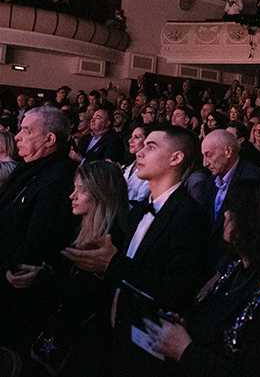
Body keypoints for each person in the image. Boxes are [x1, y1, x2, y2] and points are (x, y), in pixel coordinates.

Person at [62, 126, 212, 377]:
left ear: (176, 158)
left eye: (151, 147)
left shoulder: (189, 216)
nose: (139, 153)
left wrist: (111, 264)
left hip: (149, 348)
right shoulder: (141, 209)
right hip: (116, 334)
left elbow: (176, 290)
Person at [144, 181, 260, 376]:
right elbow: (216, 322)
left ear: (252, 225)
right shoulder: (239, 267)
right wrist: (186, 326)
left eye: (233, 212)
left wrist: (184, 350)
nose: (225, 214)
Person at [10, 160, 129, 377]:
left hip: (82, 347)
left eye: (81, 190)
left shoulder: (111, 239)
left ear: (101, 193)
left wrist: (42, 280)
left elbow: (84, 298)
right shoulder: (78, 229)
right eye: (74, 188)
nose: (72, 196)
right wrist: (43, 273)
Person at [0, 107, 79, 360]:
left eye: (26, 130)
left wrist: (5, 270)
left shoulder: (58, 177)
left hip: (16, 295)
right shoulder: (29, 167)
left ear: (49, 140)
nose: (17, 136)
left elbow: (37, 243)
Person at [200, 129, 260, 267]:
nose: (205, 163)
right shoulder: (211, 182)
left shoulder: (251, 179)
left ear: (228, 151)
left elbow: (247, 234)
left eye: (209, 155)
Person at [123, 126, 151, 203]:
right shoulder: (127, 166)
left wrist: (119, 180)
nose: (130, 140)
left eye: (136, 137)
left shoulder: (150, 168)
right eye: (131, 137)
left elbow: (140, 199)